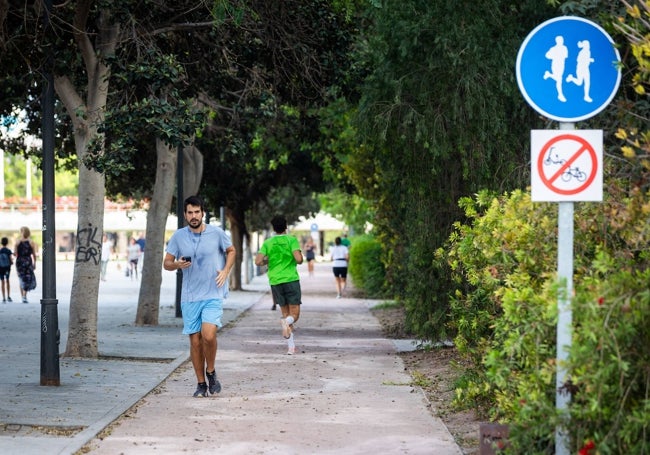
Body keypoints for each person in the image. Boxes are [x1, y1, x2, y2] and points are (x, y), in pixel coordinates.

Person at [163, 195, 236, 398]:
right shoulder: (178, 236)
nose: (193, 216)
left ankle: (211, 371)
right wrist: (177, 264)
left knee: (208, 335)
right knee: (195, 342)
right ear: (185, 214)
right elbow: (166, 263)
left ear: (203, 213)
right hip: (189, 296)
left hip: (213, 292)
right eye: (189, 212)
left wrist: (225, 271)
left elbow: (231, 251)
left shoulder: (217, 233)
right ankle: (201, 383)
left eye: (197, 212)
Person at [255, 216, 303, 355]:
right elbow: (299, 260)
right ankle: (287, 328)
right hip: (291, 280)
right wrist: (298, 256)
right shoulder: (291, 240)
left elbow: (258, 261)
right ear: (286, 226)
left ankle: (291, 347)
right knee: (294, 314)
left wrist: (267, 261)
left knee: (285, 314)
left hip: (275, 281)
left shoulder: (268, 243)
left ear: (273, 228)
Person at [14, 226, 37, 303]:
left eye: (21, 231)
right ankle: (23, 297)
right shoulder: (29, 242)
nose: (21, 233)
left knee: (24, 279)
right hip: (24, 261)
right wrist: (34, 263)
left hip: (23, 262)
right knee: (23, 278)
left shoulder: (28, 242)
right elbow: (15, 254)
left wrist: (34, 263)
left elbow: (15, 254)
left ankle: (24, 296)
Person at [0, 237, 14, 303]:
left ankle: (3, 298)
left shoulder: (0, 250)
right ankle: (8, 296)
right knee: (7, 281)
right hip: (7, 268)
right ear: (7, 243)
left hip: (0, 268)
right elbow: (11, 260)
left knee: (2, 281)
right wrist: (11, 262)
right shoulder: (8, 251)